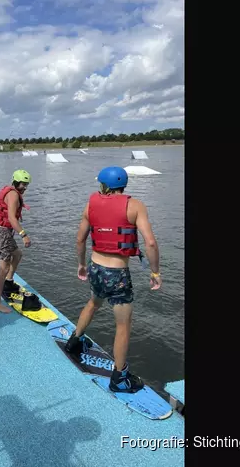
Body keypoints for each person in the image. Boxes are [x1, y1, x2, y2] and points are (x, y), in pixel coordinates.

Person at [66, 166, 162, 393]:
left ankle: (74, 341)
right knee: (123, 326)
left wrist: (81, 265)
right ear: (123, 185)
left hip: (96, 267)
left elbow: (80, 239)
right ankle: (119, 377)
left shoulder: (91, 204)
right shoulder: (135, 206)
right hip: (118, 274)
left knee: (94, 303)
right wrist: (155, 272)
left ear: (104, 185)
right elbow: (150, 243)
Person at [0, 170, 32, 314]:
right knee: (3, 267)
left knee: (18, 254)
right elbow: (12, 218)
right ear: (15, 182)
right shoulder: (13, 195)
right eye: (22, 184)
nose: (24, 188)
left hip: (3, 232)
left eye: (26, 185)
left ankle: (8, 281)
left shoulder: (11, 192)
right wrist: (23, 235)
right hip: (3, 233)